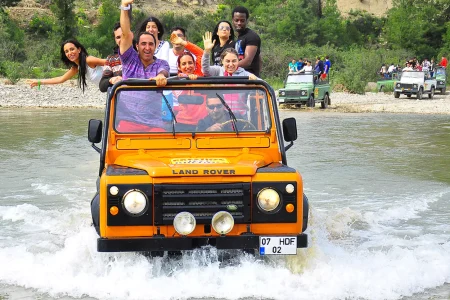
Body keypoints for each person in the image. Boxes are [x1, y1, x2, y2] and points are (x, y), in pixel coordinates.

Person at [117, 0, 170, 132]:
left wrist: (161, 76)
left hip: (154, 124)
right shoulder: (129, 59)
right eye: (143, 44)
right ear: (136, 46)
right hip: (128, 121)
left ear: (155, 46)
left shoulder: (161, 63)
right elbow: (125, 33)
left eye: (151, 44)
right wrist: (124, 6)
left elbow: (164, 71)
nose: (147, 48)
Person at [29, 39, 105, 92]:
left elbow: (112, 62)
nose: (69, 53)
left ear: (79, 49)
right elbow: (61, 79)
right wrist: (39, 82)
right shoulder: (77, 68)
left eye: (72, 49)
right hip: (110, 91)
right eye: (66, 51)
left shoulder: (89, 60)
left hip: (115, 86)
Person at [232, 6, 261, 77]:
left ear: (246, 21)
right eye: (236, 20)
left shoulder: (251, 36)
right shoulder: (239, 38)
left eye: (242, 20)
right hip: (239, 76)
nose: (239, 23)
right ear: (232, 20)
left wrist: (228, 66)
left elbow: (247, 61)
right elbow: (260, 58)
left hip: (249, 79)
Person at [99, 22, 125, 93]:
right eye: (118, 37)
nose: (121, 40)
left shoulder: (140, 55)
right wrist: (111, 80)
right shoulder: (111, 59)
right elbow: (102, 85)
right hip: (120, 102)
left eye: (124, 36)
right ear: (115, 39)